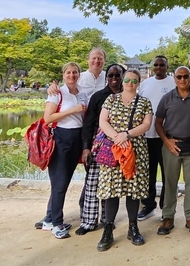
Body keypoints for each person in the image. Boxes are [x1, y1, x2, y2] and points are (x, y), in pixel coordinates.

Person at [35, 47, 108, 230]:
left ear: (104, 61)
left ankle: (72, 213)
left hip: (88, 132)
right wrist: (51, 88)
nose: (96, 61)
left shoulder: (109, 77)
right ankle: (52, 219)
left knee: (86, 174)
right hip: (63, 135)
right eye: (93, 58)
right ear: (88, 60)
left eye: (100, 58)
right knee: (60, 178)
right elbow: (49, 116)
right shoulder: (71, 84)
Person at [96, 70, 153, 252]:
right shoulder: (111, 99)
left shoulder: (144, 102)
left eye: (134, 80)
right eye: (127, 79)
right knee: (112, 190)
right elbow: (102, 120)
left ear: (139, 82)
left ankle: (133, 227)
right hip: (114, 150)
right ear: (123, 81)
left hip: (135, 150)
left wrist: (126, 134)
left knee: (133, 190)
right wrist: (116, 137)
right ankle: (108, 229)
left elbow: (146, 124)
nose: (130, 83)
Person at [155, 66, 190, 235]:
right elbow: (158, 122)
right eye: (179, 77)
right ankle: (168, 217)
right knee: (170, 182)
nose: (182, 80)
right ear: (174, 78)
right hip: (171, 145)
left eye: (185, 76)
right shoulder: (167, 98)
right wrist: (166, 141)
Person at [75, 63, 126, 235]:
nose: (113, 79)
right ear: (106, 78)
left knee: (111, 184)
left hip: (119, 146)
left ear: (122, 77)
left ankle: (107, 219)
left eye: (117, 76)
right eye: (110, 76)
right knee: (92, 184)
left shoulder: (128, 96)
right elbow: (88, 124)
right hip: (98, 146)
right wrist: (85, 148)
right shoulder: (98, 97)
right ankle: (89, 221)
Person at [43, 62, 89, 239]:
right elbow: (48, 118)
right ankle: (56, 223)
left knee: (65, 181)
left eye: (75, 72)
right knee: (59, 183)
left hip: (76, 138)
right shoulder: (57, 93)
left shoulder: (82, 93)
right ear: (63, 75)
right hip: (61, 138)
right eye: (68, 72)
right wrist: (73, 110)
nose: (72, 75)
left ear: (79, 74)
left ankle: (49, 219)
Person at [137, 56, 176, 221]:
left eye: (162, 65)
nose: (159, 67)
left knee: (167, 173)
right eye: (156, 65)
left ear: (167, 66)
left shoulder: (174, 82)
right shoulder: (146, 83)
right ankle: (148, 205)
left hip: (167, 136)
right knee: (148, 172)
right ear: (152, 67)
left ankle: (166, 208)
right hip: (147, 136)